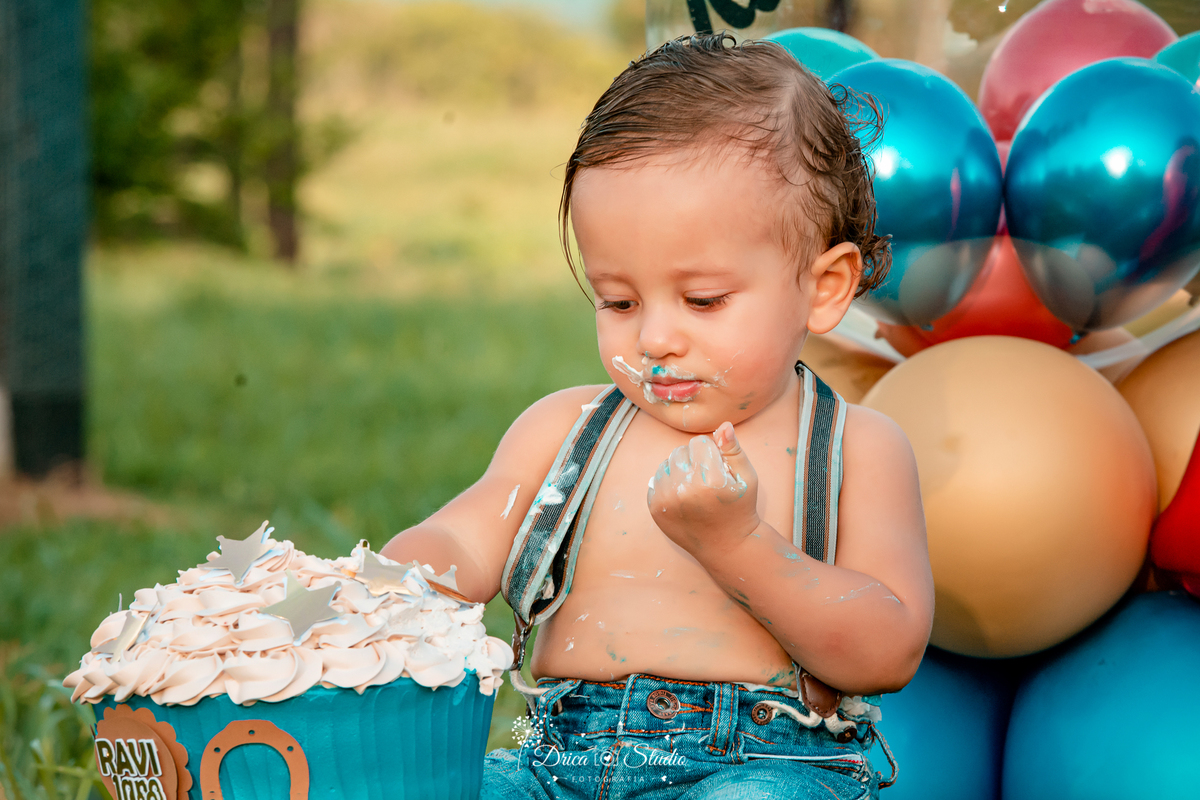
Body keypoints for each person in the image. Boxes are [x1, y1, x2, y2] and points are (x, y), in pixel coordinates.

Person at [381, 32, 933, 800]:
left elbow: (885, 651)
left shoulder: (854, 450)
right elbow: (461, 541)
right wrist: (386, 584)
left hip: (763, 763)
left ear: (825, 287)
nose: (655, 337)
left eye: (703, 300)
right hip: (559, 763)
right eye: (618, 300)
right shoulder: (564, 431)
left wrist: (735, 543)